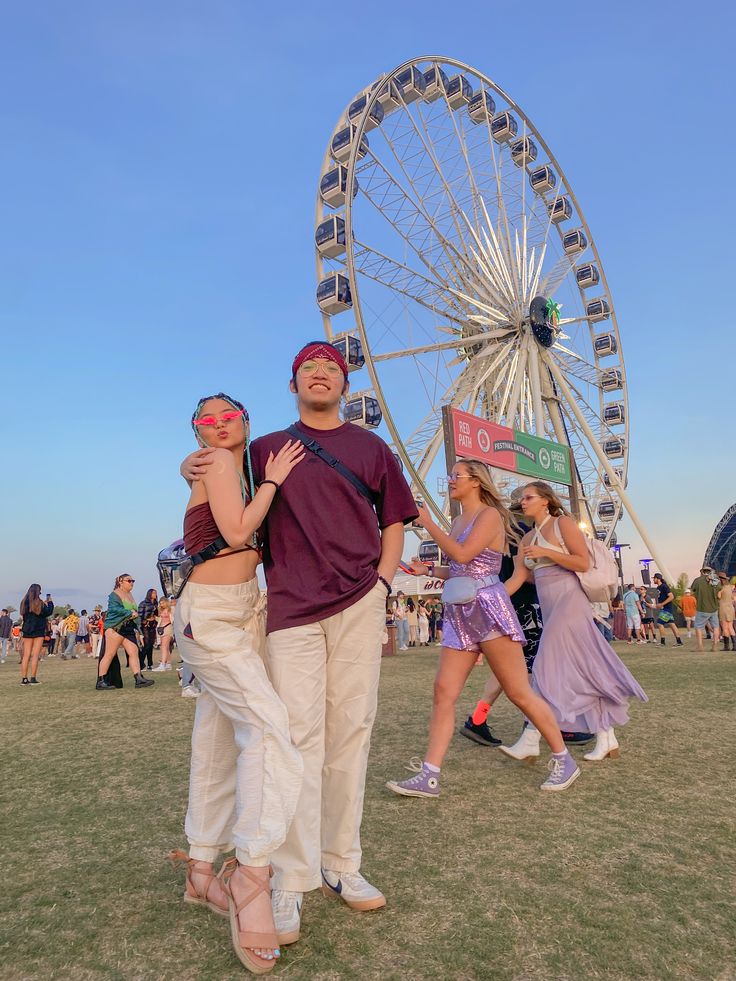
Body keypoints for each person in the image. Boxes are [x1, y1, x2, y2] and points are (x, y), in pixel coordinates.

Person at [181, 341, 417, 945]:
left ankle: (342, 864)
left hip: (360, 599)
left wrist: (384, 582)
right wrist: (190, 464)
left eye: (331, 366)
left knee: (351, 731)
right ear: (292, 384)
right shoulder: (263, 450)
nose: (320, 372)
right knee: (295, 738)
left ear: (344, 382)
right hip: (289, 609)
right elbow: (217, 471)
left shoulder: (372, 448)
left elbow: (394, 519)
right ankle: (289, 878)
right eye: (309, 367)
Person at [171, 392, 306, 973]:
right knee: (269, 730)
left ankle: (201, 871)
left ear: (246, 423)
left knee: (219, 735)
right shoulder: (224, 464)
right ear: (198, 431)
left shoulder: (222, 466)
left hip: (234, 607)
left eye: (229, 417)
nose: (219, 425)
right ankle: (252, 871)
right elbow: (237, 527)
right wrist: (273, 482)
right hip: (217, 611)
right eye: (208, 420)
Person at [386, 460, 581, 796]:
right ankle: (430, 775)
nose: (449, 481)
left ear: (476, 482)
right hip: (460, 613)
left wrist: (428, 524)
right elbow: (458, 569)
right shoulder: (459, 519)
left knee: (519, 692)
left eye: (455, 475)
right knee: (443, 692)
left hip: (489, 609)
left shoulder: (489, 515)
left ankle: (564, 760)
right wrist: (429, 569)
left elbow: (463, 554)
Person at [501, 481, 648, 764]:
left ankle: (531, 738)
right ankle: (606, 736)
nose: (523, 502)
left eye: (529, 497)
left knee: (544, 665)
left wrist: (547, 553)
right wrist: (489, 597)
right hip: (549, 605)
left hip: (570, 602)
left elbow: (581, 562)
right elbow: (521, 578)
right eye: (521, 499)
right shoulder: (527, 538)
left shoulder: (563, 525)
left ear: (545, 500)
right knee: (582, 670)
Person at [96, 575, 154, 689]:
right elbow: (113, 609)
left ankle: (138, 678)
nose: (131, 583)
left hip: (128, 628)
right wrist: (129, 612)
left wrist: (139, 629)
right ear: (120, 582)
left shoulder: (130, 595)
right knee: (109, 654)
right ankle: (101, 681)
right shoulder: (115, 594)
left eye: (133, 581)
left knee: (134, 651)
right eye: (129, 581)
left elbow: (135, 613)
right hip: (115, 627)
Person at [19, 585, 54, 685]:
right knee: (35, 655)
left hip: (27, 630)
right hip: (38, 630)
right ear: (38, 592)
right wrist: (50, 602)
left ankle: (24, 679)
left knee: (26, 655)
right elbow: (48, 612)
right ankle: (33, 678)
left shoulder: (24, 603)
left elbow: (24, 616)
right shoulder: (40, 603)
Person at [690, 566, 721, 653]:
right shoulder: (716, 581)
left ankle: (700, 646)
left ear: (702, 572)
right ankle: (714, 646)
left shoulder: (698, 580)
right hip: (714, 608)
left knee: (698, 627)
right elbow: (719, 594)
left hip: (702, 608)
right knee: (716, 627)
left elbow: (692, 591)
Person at [652, 573, 684, 648]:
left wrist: (662, 604)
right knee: (671, 624)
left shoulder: (664, 586)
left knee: (660, 623)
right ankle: (679, 642)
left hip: (666, 608)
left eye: (654, 578)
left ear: (658, 578)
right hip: (665, 608)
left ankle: (663, 642)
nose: (653, 580)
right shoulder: (658, 588)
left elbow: (671, 596)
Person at [138, 589, 158, 670]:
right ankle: (141, 663)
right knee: (146, 645)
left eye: (156, 593)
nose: (155, 594)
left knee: (150, 645)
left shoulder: (156, 604)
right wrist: (140, 626)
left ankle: (150, 664)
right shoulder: (143, 603)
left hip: (153, 625)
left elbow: (157, 614)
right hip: (145, 626)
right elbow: (139, 616)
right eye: (153, 593)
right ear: (149, 594)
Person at [152, 598, 174, 671]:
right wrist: (155, 618)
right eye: (160, 603)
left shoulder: (171, 609)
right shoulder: (161, 610)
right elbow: (161, 619)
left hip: (167, 628)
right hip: (160, 629)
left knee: (164, 646)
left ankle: (163, 665)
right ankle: (168, 664)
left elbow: (173, 619)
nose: (161, 605)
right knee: (164, 647)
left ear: (166, 602)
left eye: (163, 603)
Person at [717, 572, 734, 650]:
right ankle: (735, 645)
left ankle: (726, 646)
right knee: (731, 627)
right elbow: (733, 598)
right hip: (730, 609)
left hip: (723, 608)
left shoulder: (721, 588)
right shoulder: (730, 587)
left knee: (725, 627)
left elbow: (718, 597)